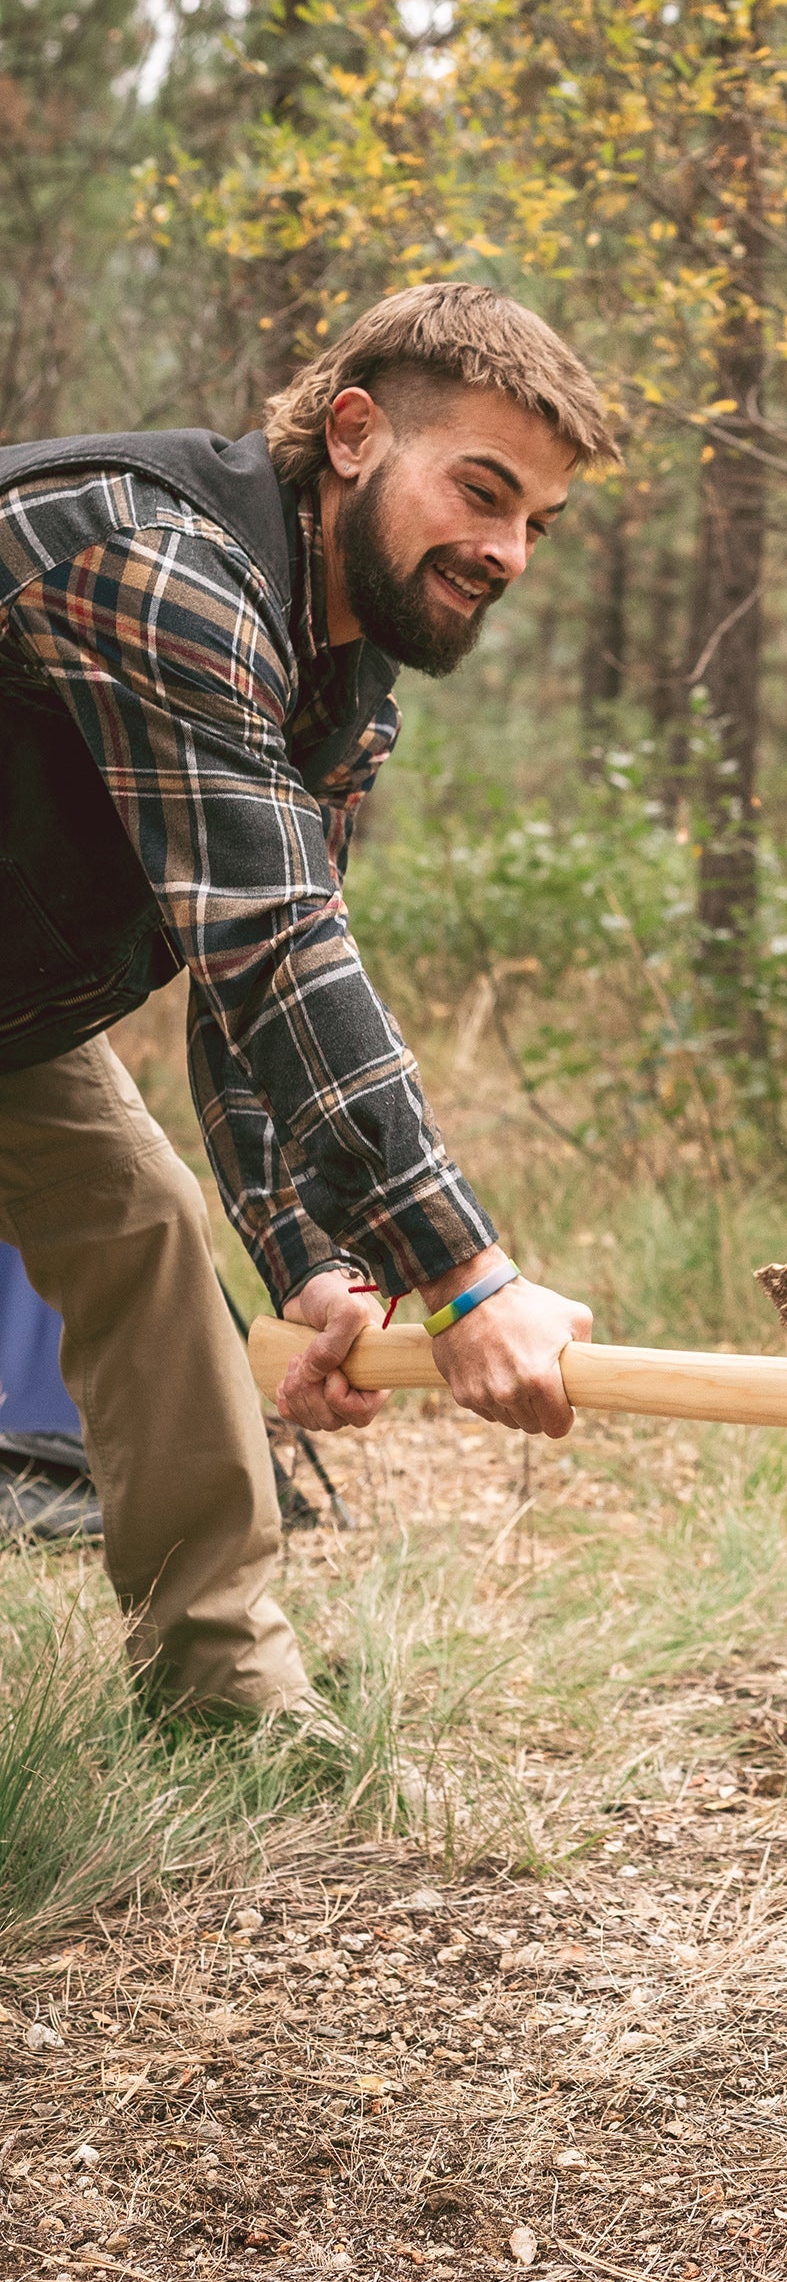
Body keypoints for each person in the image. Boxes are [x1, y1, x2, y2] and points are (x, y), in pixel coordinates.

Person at [0, 281, 616, 1715]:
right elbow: (280, 950)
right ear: (350, 434)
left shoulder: (340, 688)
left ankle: (223, 1700)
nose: (507, 550)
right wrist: (467, 1277)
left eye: (536, 521)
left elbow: (242, 993)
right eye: (481, 490)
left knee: (139, 1225)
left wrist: (312, 1261)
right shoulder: (153, 562)